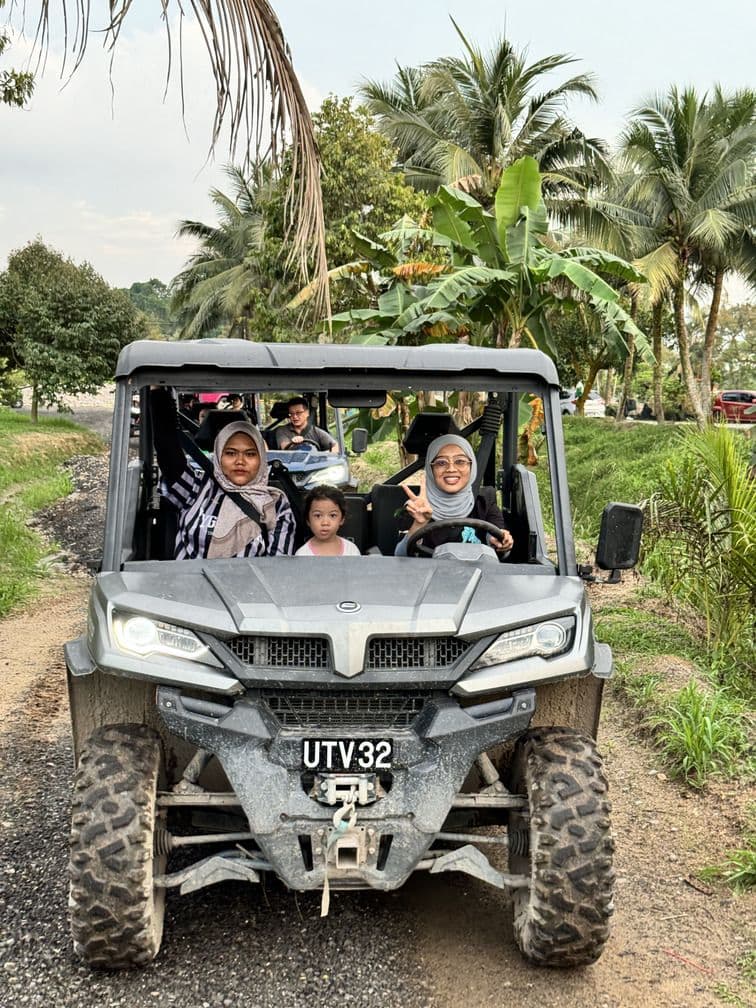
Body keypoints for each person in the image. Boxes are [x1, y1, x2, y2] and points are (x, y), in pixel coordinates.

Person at [150, 388, 295, 559]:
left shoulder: (276, 504)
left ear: (261, 459)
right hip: (188, 583)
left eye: (250, 454)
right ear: (218, 456)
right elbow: (168, 450)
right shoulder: (197, 487)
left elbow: (278, 565)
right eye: (230, 453)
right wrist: (158, 390)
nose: (240, 461)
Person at [395, 435, 514, 557]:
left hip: (478, 573)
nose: (451, 469)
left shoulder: (484, 501)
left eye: (460, 461)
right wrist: (419, 524)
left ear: (471, 467)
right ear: (430, 469)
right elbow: (399, 557)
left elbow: (499, 541)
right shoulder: (416, 508)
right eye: (441, 463)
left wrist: (501, 542)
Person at [295, 485, 361, 556]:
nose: (325, 523)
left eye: (332, 515)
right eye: (318, 516)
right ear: (308, 520)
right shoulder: (302, 554)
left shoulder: (351, 550)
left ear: (342, 519)